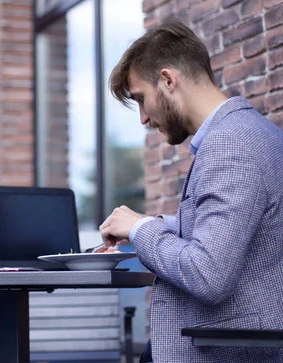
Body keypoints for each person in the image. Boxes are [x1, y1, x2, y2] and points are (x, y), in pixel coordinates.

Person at [101, 18, 283, 362]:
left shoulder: (230, 145)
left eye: (141, 98)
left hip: (227, 351)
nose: (142, 118)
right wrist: (154, 222)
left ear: (168, 80)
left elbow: (206, 273)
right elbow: (240, 230)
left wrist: (142, 230)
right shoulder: (250, 132)